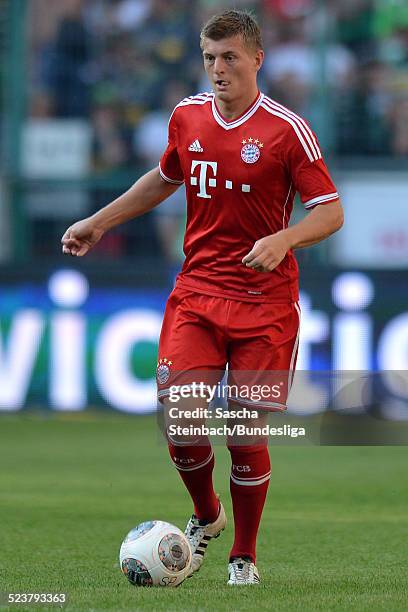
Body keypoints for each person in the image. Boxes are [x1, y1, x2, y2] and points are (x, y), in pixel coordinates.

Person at [62, 9, 343, 585]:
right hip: (198, 292)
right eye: (210, 58)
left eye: (230, 58)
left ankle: (244, 556)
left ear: (257, 59)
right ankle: (206, 514)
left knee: (244, 431)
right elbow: (165, 178)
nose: (218, 69)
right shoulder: (186, 117)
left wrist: (285, 238)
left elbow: (331, 210)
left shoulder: (286, 130)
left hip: (266, 304)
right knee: (181, 417)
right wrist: (99, 221)